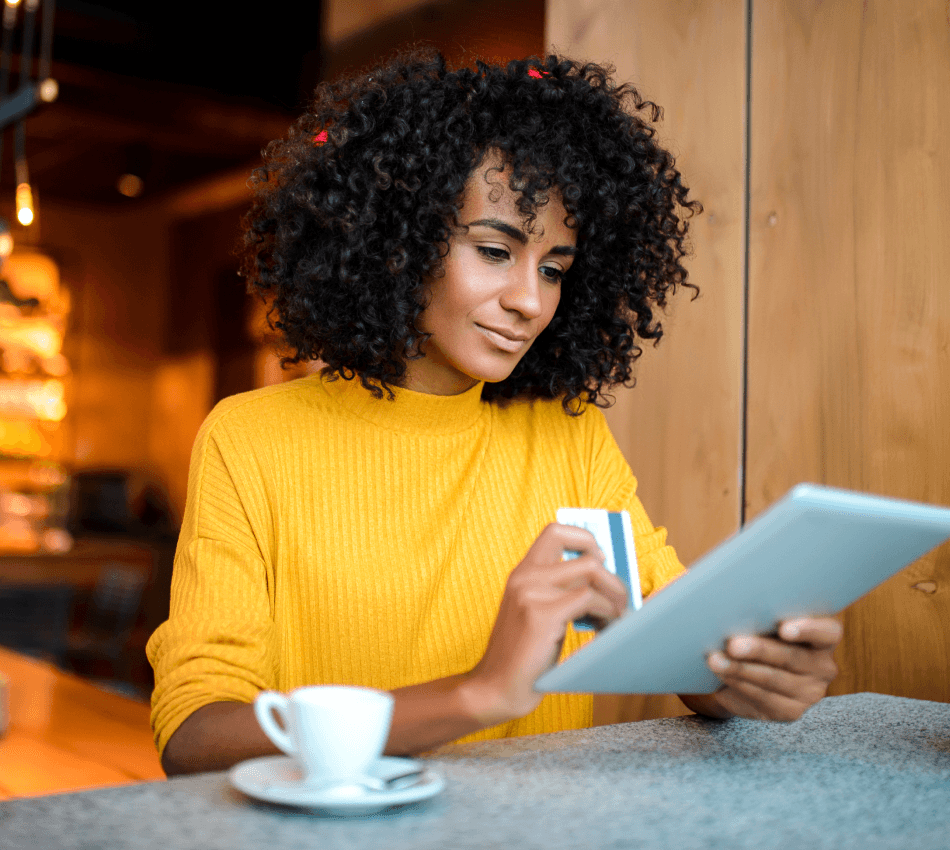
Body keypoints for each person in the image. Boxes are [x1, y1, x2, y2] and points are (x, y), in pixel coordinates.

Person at [149, 51, 842, 776]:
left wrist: (752, 670)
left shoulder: (568, 436)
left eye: (553, 269)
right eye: (493, 250)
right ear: (397, 243)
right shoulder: (252, 439)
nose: (531, 301)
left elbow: (679, 643)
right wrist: (475, 695)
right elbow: (196, 737)